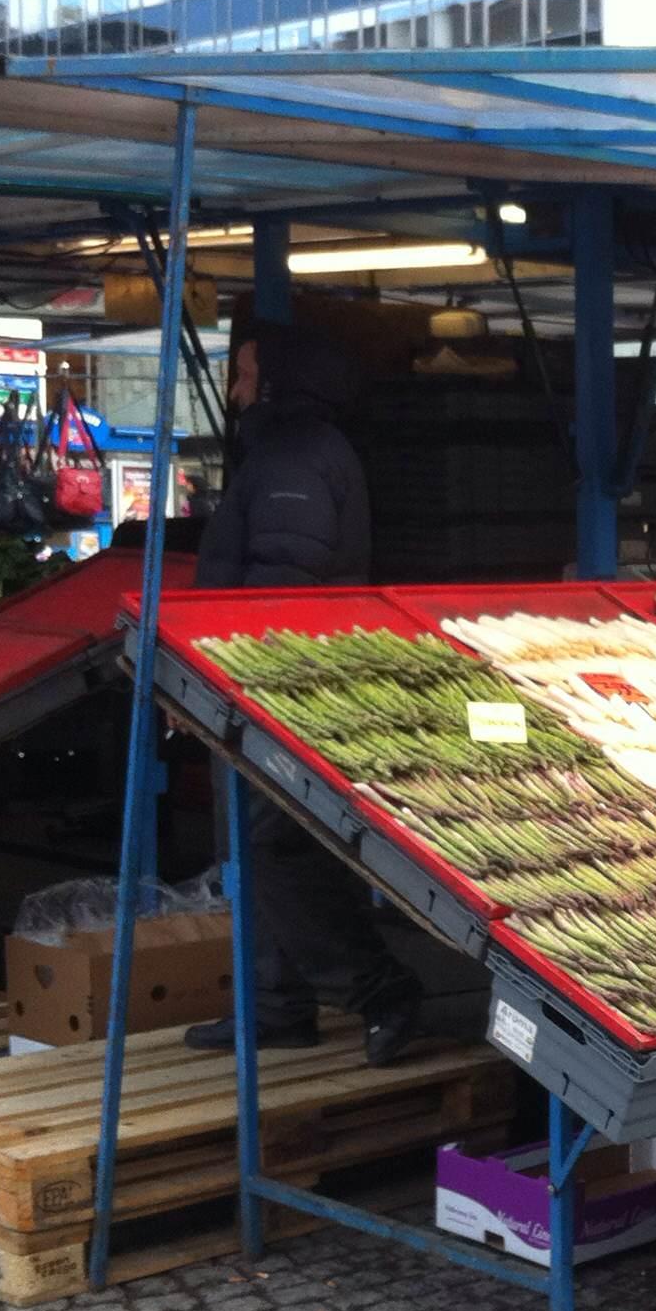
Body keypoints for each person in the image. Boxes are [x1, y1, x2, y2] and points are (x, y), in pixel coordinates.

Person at [185, 323, 423, 1067]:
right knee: (262, 851)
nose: (235, 388)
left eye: (246, 371)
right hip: (267, 688)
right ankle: (275, 1006)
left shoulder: (294, 458)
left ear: (282, 377)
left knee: (274, 851)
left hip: (278, 689)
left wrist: (236, 683)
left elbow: (281, 587)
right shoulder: (288, 450)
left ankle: (379, 988)